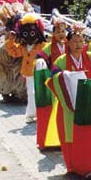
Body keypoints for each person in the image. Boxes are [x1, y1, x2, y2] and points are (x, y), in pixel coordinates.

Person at [47, 24, 91, 180]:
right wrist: (65, 77)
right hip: (70, 106)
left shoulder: (90, 57)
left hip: (90, 102)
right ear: (68, 43)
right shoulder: (61, 61)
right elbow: (52, 80)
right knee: (73, 135)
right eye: (75, 41)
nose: (78, 45)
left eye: (81, 41)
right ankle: (76, 166)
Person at [5, 13, 47, 122]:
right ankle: (31, 114)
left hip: (40, 72)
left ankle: (39, 113)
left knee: (38, 93)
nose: (29, 35)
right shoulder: (23, 47)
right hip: (28, 73)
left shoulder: (42, 46)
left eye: (32, 32)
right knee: (31, 93)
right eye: (25, 32)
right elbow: (13, 52)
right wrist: (11, 40)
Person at [33, 18, 68, 149]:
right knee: (53, 111)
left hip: (68, 81)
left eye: (63, 31)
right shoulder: (49, 47)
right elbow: (39, 57)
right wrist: (41, 63)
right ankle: (50, 140)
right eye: (58, 32)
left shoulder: (69, 45)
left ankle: (63, 139)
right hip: (55, 84)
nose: (61, 34)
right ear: (53, 33)